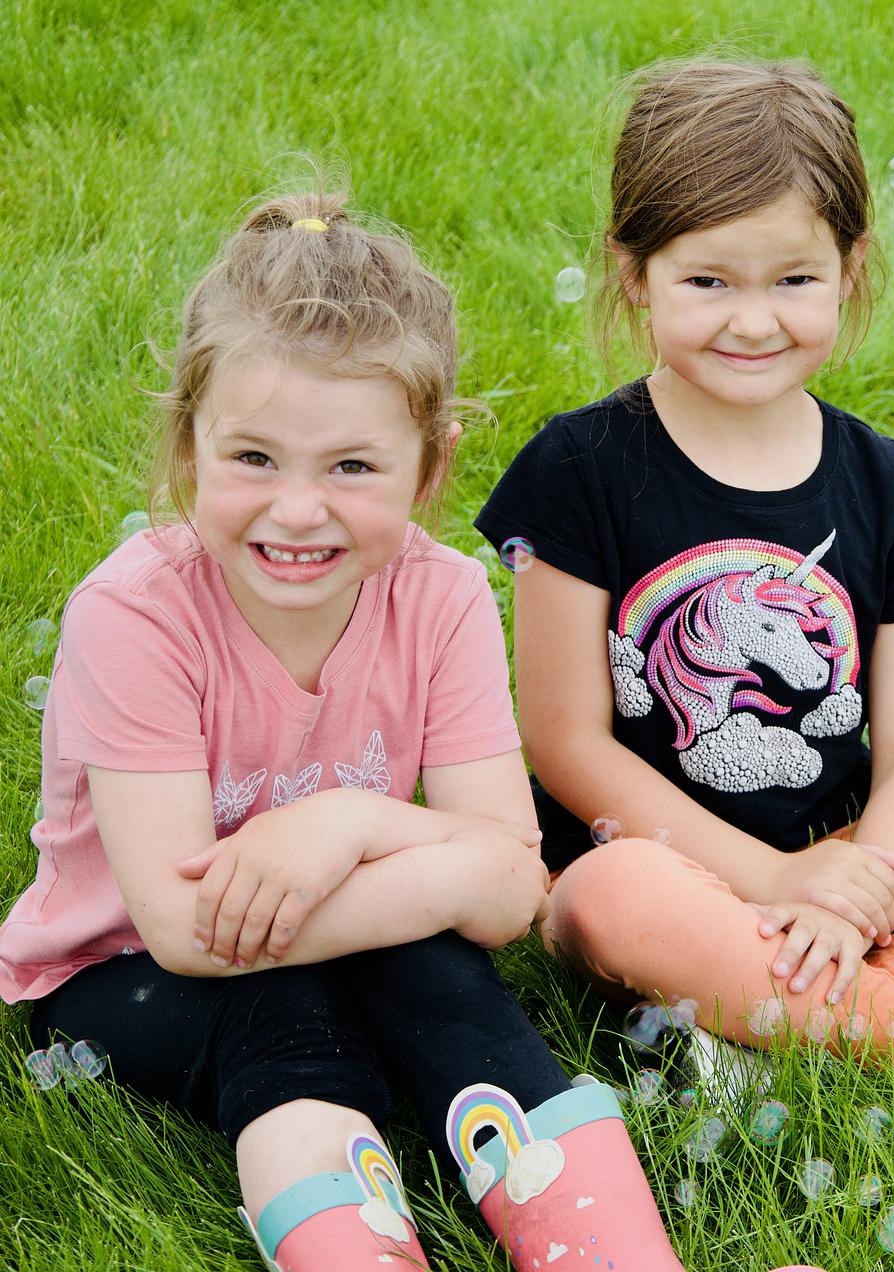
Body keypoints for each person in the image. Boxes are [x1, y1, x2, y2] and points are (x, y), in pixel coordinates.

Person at [0, 190, 714, 1271]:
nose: (298, 510)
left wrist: (348, 821)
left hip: (326, 912)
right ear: (188, 447)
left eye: (352, 466)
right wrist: (450, 867)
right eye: (253, 458)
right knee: (285, 1010)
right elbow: (188, 930)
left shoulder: (444, 599)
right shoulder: (135, 615)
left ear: (430, 467)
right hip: (121, 967)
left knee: (448, 985)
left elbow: (511, 893)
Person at [476, 59, 894, 1066]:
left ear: (850, 267)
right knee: (609, 898)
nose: (753, 321)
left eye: (793, 280)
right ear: (633, 273)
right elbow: (566, 743)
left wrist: (859, 891)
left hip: (838, 853)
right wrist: (773, 882)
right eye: (707, 281)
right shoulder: (576, 470)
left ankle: (813, 1001)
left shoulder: (885, 486)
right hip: (654, 870)